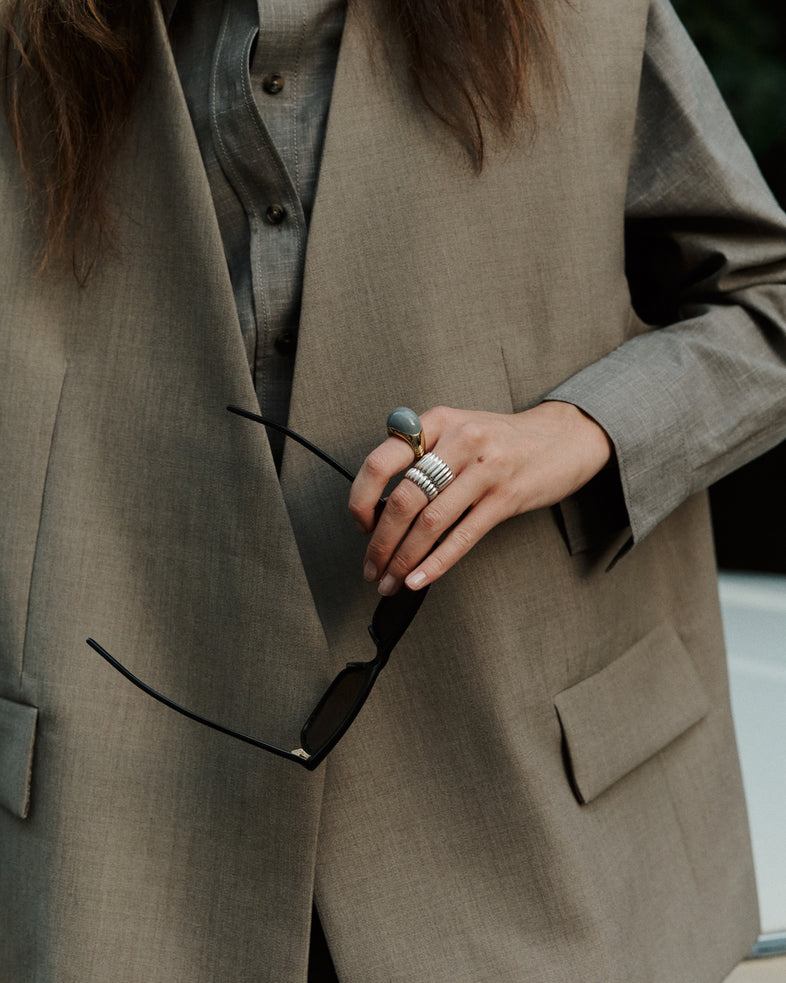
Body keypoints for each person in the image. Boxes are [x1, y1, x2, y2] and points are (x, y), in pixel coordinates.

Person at [1, 0, 785, 980]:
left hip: (532, 836)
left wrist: (575, 431)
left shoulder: (583, 16)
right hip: (110, 849)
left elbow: (765, 302)